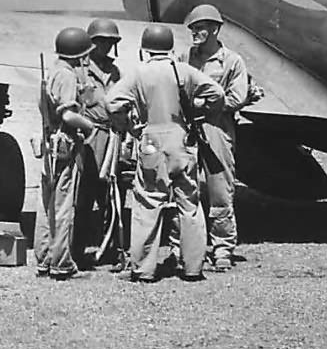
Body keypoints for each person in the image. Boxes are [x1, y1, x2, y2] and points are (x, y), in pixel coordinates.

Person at [106, 23, 222, 282]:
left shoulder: (139, 74)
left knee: (148, 202)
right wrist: (203, 114)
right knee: (189, 204)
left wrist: (128, 126)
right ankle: (193, 268)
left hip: (151, 142)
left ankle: (144, 269)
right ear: (169, 47)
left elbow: (112, 102)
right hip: (182, 140)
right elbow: (217, 93)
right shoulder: (183, 71)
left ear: (145, 49)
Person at [181, 3, 249, 272]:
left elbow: (237, 97)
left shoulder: (232, 61)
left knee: (220, 189)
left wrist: (203, 104)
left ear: (214, 30)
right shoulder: (186, 57)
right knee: (187, 187)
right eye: (193, 29)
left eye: (199, 28)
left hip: (217, 128)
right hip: (189, 129)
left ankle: (222, 248)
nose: (194, 33)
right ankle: (188, 246)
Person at [33, 27, 99, 279]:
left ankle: (44, 259)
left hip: (49, 143)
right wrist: (89, 126)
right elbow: (68, 114)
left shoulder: (52, 72)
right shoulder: (68, 76)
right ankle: (61, 263)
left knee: (46, 205)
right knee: (62, 207)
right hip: (64, 145)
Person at [74, 18, 124, 266]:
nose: (105, 46)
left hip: (112, 138)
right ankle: (77, 250)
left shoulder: (115, 71)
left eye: (110, 42)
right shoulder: (79, 71)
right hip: (88, 139)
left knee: (112, 197)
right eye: (100, 41)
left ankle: (112, 250)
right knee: (82, 197)